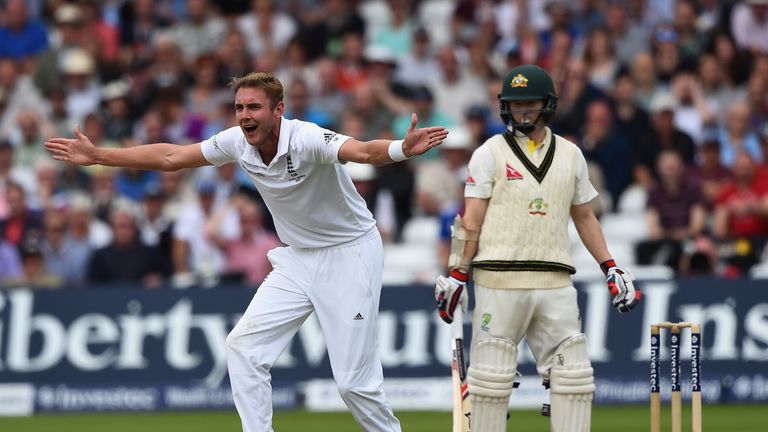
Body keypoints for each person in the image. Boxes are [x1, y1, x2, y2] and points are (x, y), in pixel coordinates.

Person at [45, 71, 447, 432]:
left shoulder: (306, 138)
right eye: (239, 107)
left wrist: (400, 149)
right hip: (297, 258)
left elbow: (360, 151)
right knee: (243, 348)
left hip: (350, 252)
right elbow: (172, 157)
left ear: (278, 110)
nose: (244, 115)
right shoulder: (236, 142)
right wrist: (99, 156)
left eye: (253, 106)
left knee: (352, 383)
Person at [433, 64, 640, 432]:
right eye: (516, 105)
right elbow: (472, 219)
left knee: (573, 377)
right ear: (505, 108)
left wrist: (611, 265)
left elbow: (585, 217)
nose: (523, 112)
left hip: (555, 281)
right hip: (498, 280)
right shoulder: (489, 153)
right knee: (490, 381)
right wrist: (457, 275)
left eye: (530, 105)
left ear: (548, 106)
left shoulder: (571, 154)